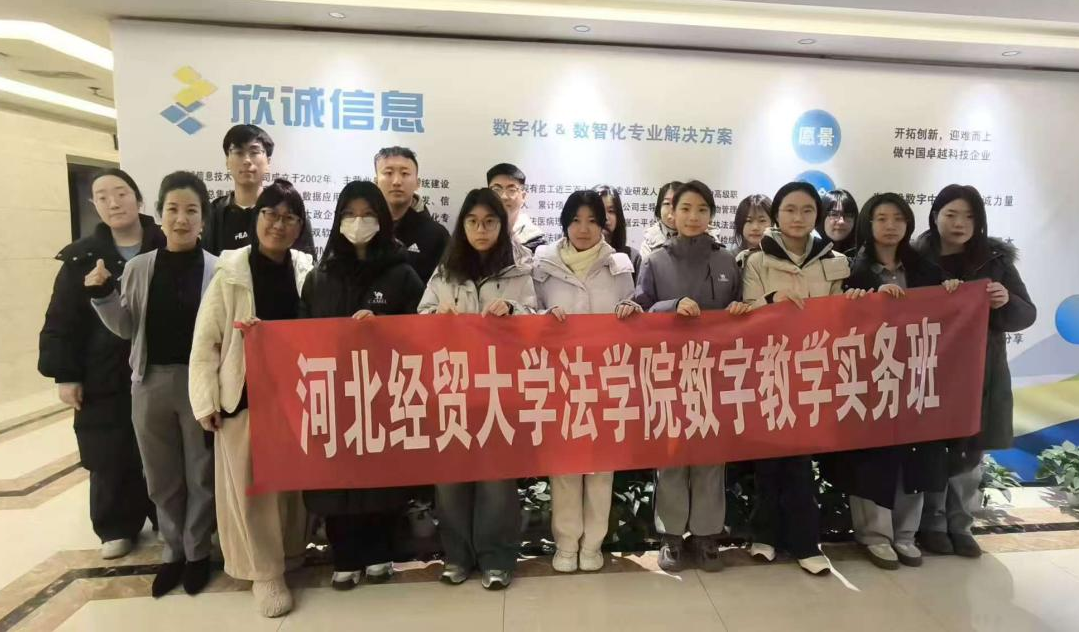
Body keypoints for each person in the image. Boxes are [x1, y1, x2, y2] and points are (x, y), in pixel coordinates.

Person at [86, 171, 218, 596]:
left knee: (201, 473)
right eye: (173, 209)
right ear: (160, 214)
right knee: (160, 475)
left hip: (199, 384)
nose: (182, 219)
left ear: (203, 218)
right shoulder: (139, 268)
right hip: (149, 383)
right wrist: (103, 294)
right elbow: (126, 328)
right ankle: (172, 551)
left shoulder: (217, 269)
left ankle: (198, 553)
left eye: (191, 210)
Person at [189, 179, 314, 617]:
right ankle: (265, 572)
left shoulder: (305, 270)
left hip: (294, 397)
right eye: (270, 214)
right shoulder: (231, 272)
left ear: (299, 225)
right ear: (257, 218)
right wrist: (205, 400)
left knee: (290, 487)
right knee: (253, 490)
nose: (279, 225)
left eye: (289, 218)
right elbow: (206, 341)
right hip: (243, 396)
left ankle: (291, 552)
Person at [821, 193, 960, 570]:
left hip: (916, 376)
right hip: (869, 376)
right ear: (868, 223)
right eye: (881, 218)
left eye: (898, 218)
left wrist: (953, 292)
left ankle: (905, 533)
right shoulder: (849, 268)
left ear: (909, 224)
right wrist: (859, 300)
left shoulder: (927, 270)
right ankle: (874, 535)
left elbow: (948, 317)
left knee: (914, 454)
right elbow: (832, 318)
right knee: (871, 455)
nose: (890, 226)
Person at [299, 181, 426, 590]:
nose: (358, 222)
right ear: (338, 220)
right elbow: (299, 335)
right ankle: (345, 556)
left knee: (382, 476)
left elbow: (422, 331)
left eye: (368, 214)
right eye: (350, 215)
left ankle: (380, 553)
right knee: (337, 479)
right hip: (335, 394)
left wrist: (384, 327)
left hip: (384, 392)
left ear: (382, 220)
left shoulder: (402, 273)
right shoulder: (320, 277)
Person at [741, 181, 868, 576]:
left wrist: (854, 303)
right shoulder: (756, 261)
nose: (798, 218)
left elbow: (842, 316)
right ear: (777, 214)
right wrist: (770, 302)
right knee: (767, 463)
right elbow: (744, 311)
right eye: (790, 210)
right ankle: (763, 536)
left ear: (818, 215)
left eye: (807, 210)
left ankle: (806, 543)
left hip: (813, 370)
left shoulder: (835, 261)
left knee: (799, 461)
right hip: (768, 368)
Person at [418, 188, 536, 590]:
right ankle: (457, 556)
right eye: (472, 222)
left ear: (502, 226)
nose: (481, 229)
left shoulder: (519, 270)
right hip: (452, 388)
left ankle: (497, 558)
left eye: (489, 222)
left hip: (500, 389)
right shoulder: (445, 272)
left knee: (496, 479)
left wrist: (514, 311)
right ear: (462, 225)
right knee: (451, 478)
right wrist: (437, 317)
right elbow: (420, 317)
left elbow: (538, 319)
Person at [38, 168, 160, 560]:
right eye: (103, 196)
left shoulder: (166, 243)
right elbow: (62, 319)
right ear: (94, 205)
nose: (113, 202)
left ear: (137, 198)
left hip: (159, 365)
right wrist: (66, 374)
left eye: (121, 193)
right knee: (108, 449)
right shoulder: (81, 257)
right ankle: (115, 525)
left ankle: (165, 516)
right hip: (102, 371)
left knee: (160, 447)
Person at [914, 184, 1036, 558]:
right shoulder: (915, 259)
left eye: (969, 216)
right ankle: (932, 524)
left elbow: (1025, 315)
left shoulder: (995, 261)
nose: (959, 223)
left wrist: (1005, 300)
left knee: (970, 450)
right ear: (934, 215)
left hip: (980, 370)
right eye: (951, 214)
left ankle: (961, 524)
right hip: (929, 368)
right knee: (932, 448)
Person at [633, 181, 749, 573]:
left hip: (714, 374)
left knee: (710, 457)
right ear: (671, 213)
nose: (693, 216)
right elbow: (641, 312)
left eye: (701, 209)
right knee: (671, 456)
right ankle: (670, 536)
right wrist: (671, 306)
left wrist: (740, 310)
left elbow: (742, 312)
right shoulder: (655, 261)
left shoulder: (727, 260)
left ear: (712, 215)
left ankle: (706, 535)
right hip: (668, 372)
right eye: (685, 208)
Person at [533, 190, 641, 573]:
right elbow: (528, 311)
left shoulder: (619, 264)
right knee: (564, 465)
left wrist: (632, 310)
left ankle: (593, 544)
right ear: (564, 223)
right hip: (558, 378)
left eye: (592, 221)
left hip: (604, 377)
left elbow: (632, 313)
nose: (583, 228)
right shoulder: (542, 262)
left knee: (601, 466)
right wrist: (543, 318)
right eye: (576, 220)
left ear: (604, 224)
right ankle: (566, 544)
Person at [202, 124, 315, 256]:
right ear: (227, 161)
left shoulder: (290, 213)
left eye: (254, 152)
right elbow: (205, 263)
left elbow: (306, 264)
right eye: (238, 152)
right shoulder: (213, 213)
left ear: (268, 162)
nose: (246, 160)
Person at [374, 146, 450, 282]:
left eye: (404, 174)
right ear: (376, 182)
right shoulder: (365, 229)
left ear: (417, 183)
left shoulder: (437, 235)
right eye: (389, 173)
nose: (396, 181)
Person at [488, 163, 546, 255]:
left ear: (523, 197)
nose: (503, 197)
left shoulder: (535, 240)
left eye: (511, 190)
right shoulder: (477, 232)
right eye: (496, 190)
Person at [593, 184, 642, 277]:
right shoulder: (580, 256)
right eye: (599, 211)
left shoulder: (633, 257)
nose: (605, 217)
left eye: (611, 211)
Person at [638, 180, 682, 259]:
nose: (672, 208)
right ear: (659, 207)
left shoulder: (701, 237)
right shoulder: (649, 241)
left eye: (678, 203)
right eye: (667, 203)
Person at [732, 193, 773, 267]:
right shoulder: (730, 258)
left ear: (773, 223)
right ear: (740, 223)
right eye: (749, 221)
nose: (755, 227)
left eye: (762, 220)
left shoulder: (779, 258)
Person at [820, 189, 859, 255]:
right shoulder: (807, 253)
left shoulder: (863, 254)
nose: (841, 221)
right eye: (834, 214)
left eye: (848, 215)